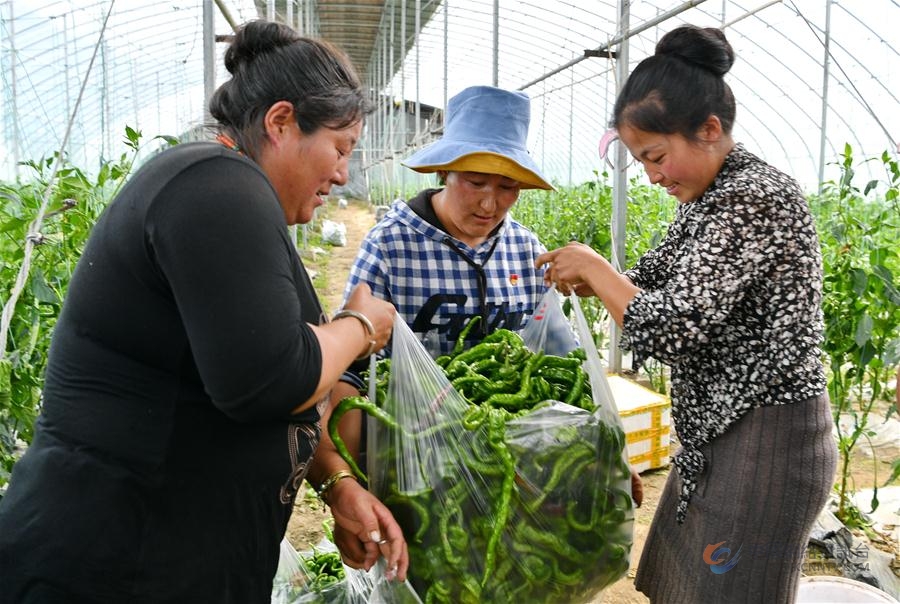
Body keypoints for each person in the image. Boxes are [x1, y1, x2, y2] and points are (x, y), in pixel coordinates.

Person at [0, 20, 407, 604]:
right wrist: (361, 326)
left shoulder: (231, 196)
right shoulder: (216, 186)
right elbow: (271, 377)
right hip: (107, 568)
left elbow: (266, 370)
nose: (343, 174)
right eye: (339, 148)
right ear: (281, 122)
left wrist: (337, 483)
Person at [537, 25, 837, 603]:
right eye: (640, 161)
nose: (652, 175)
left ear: (709, 130)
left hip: (770, 440)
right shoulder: (708, 200)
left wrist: (596, 268)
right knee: (683, 585)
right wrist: (580, 275)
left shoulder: (756, 197)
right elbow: (649, 284)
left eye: (655, 156)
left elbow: (670, 326)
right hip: (721, 436)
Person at [312, 85, 642, 571]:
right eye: (475, 182)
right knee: (436, 572)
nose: (490, 204)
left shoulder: (524, 249)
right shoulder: (392, 246)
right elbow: (350, 374)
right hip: (419, 463)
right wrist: (353, 485)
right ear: (446, 171)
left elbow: (560, 361)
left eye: (507, 187)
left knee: (516, 573)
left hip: (516, 466)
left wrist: (603, 451)